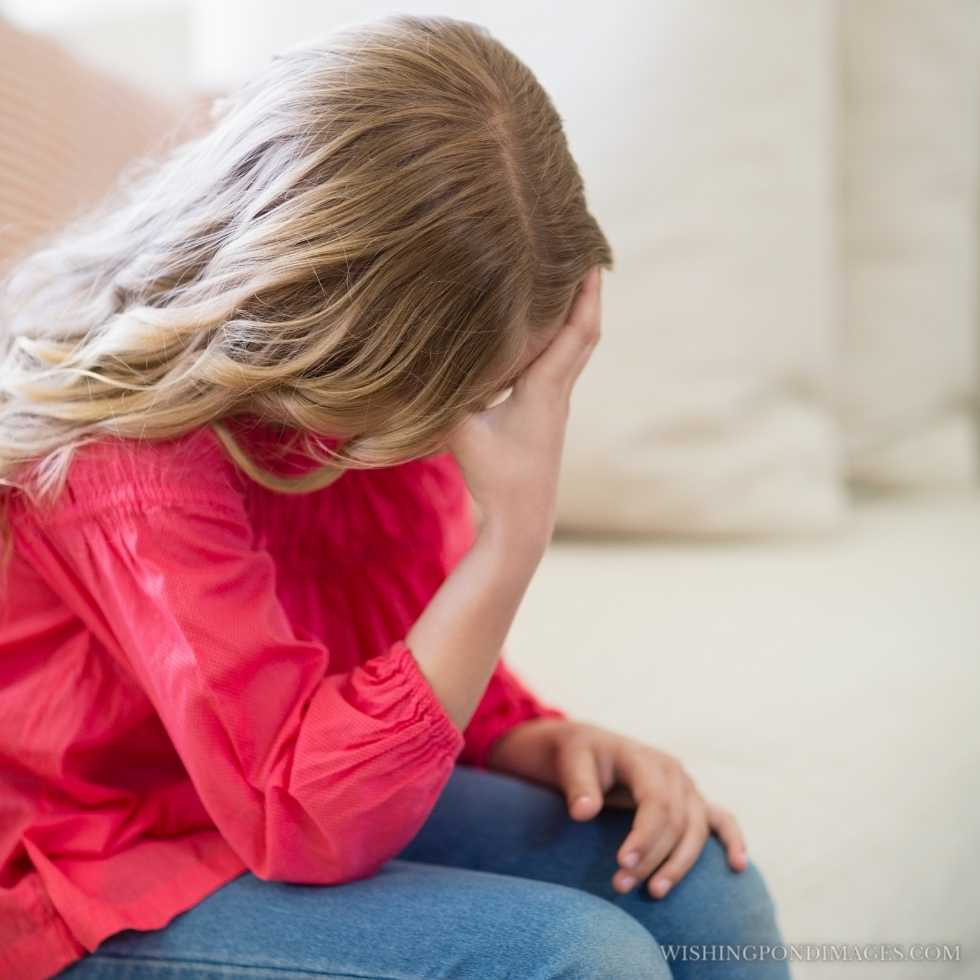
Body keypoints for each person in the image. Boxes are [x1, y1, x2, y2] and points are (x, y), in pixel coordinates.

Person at [0, 14, 791, 979]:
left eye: (487, 394)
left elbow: (388, 634)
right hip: (93, 865)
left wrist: (531, 738)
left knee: (702, 886)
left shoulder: (376, 406)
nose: (470, 425)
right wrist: (512, 542)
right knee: (582, 962)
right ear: (324, 338)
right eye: (453, 398)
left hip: (267, 792)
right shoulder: (132, 461)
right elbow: (295, 814)